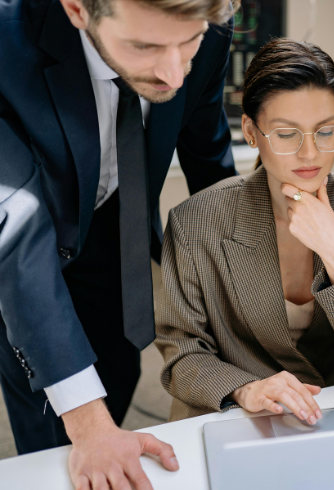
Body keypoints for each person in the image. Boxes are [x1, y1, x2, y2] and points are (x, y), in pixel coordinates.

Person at [0, 0, 238, 486]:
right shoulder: (5, 43)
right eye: (145, 46)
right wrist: (87, 423)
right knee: (55, 424)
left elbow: (209, 159)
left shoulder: (208, 27)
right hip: (24, 247)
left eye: (187, 43)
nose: (174, 74)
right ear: (76, 9)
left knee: (118, 371)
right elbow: (17, 233)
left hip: (115, 228)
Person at [154, 38, 334, 422]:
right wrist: (245, 388)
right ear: (252, 132)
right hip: (232, 415)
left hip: (330, 415)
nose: (310, 154)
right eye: (287, 134)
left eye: (326, 131)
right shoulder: (195, 221)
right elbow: (181, 354)